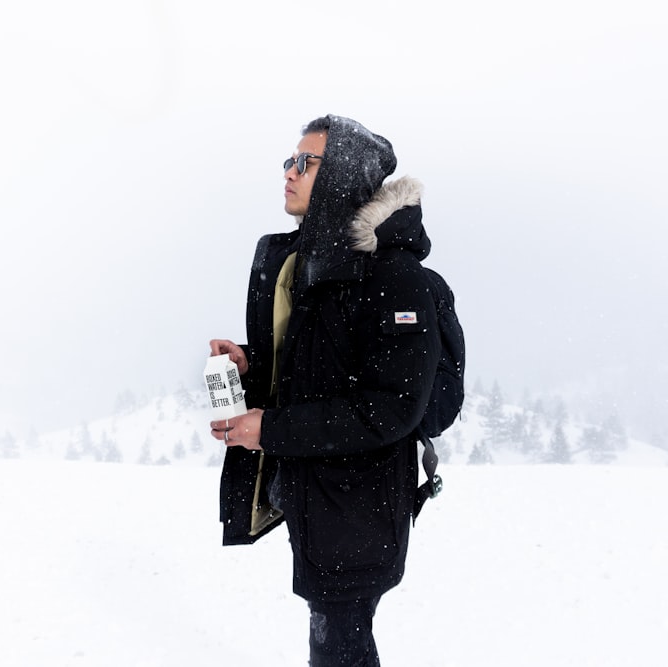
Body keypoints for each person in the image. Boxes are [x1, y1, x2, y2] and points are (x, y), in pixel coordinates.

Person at [208, 114, 441, 666]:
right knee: (339, 642)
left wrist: (270, 429)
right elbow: (317, 369)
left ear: (341, 175)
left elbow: (391, 407)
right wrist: (251, 364)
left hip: (360, 503)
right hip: (319, 493)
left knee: (340, 646)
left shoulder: (392, 277)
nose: (289, 172)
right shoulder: (311, 266)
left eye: (305, 162)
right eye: (290, 160)